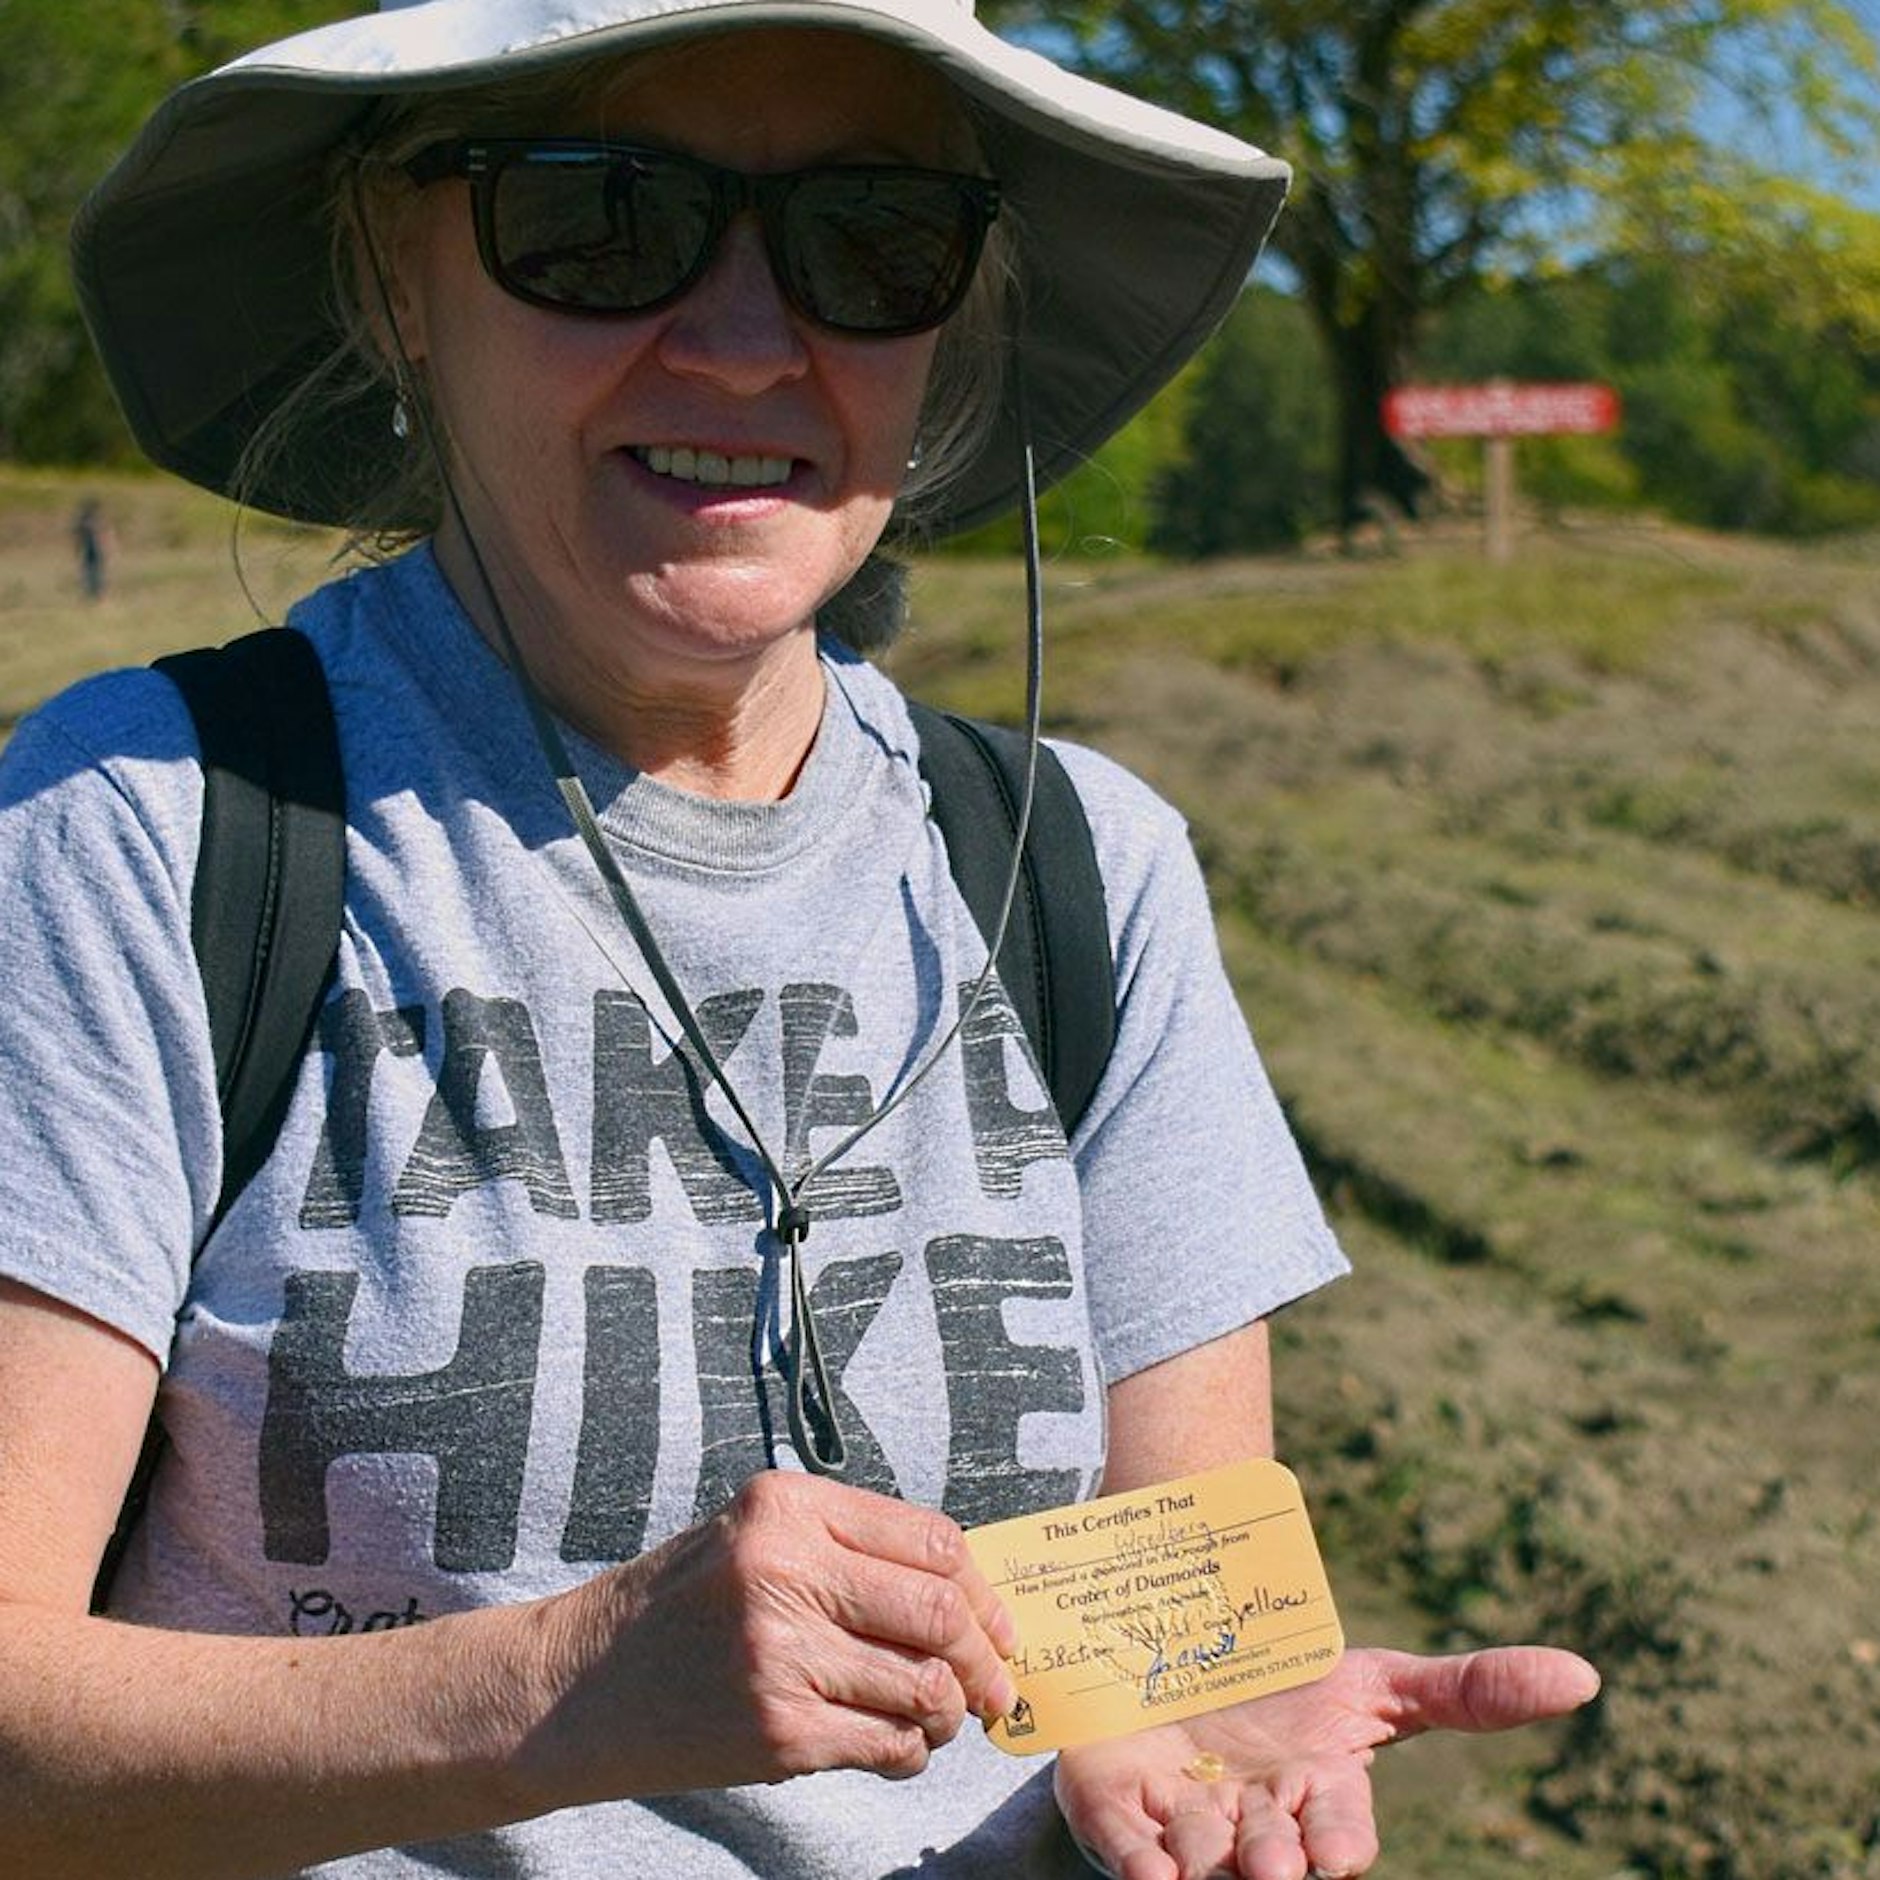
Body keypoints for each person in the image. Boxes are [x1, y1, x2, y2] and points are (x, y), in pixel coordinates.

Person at [0, 2, 1598, 1875]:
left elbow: (1169, 1610)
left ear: (957, 314)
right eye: (600, 217)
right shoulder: (143, 832)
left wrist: (1197, 1734)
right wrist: (556, 1686)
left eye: (871, 239)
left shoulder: (1085, 866)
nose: (750, 342)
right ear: (392, 274)